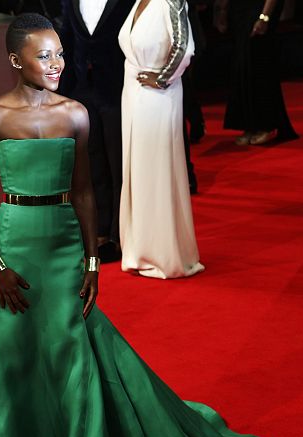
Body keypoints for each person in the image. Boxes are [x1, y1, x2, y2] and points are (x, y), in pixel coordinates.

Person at [0, 13, 266, 437]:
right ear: (16, 60)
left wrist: (94, 259)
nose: (57, 64)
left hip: (61, 247)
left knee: (72, 356)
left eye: (59, 53)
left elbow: (83, 192)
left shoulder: (75, 114)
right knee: (13, 358)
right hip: (13, 245)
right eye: (44, 55)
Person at [117, 0, 206, 279]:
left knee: (156, 172)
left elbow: (185, 47)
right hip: (133, 92)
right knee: (138, 172)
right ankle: (138, 250)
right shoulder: (137, 2)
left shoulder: (172, 1)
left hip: (157, 96)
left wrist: (164, 78)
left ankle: (164, 254)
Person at [58, 0, 135, 262]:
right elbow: (67, 40)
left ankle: (120, 234)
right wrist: (63, 92)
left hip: (118, 88)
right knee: (92, 164)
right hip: (83, 90)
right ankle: (100, 231)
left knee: (119, 163)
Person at [215, 0, 298, 145]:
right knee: (242, 64)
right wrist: (222, 11)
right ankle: (250, 126)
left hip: (261, 8)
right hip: (240, 9)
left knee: (259, 63)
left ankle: (267, 125)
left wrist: (264, 17)